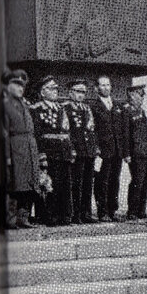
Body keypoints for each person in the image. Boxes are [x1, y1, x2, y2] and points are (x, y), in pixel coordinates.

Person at [32, 75, 74, 225]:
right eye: (51, 88)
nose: (55, 91)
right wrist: (41, 156)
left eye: (56, 88)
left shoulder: (61, 108)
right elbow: (37, 135)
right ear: (43, 92)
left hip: (64, 151)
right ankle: (50, 216)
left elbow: (67, 132)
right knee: (50, 185)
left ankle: (65, 215)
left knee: (65, 184)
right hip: (50, 152)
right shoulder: (37, 109)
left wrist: (71, 151)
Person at [2, 69, 42, 228]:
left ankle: (23, 217)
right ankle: (10, 219)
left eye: (22, 86)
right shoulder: (5, 105)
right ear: (9, 86)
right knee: (14, 185)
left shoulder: (24, 104)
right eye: (16, 85)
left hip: (28, 148)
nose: (20, 88)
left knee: (28, 184)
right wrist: (6, 155)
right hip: (15, 148)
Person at [89, 75, 127, 222]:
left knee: (114, 181)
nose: (106, 88)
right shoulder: (94, 107)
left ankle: (112, 210)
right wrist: (96, 149)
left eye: (108, 85)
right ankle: (102, 211)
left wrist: (123, 150)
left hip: (117, 150)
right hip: (103, 151)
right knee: (101, 182)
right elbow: (92, 130)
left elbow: (122, 130)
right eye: (102, 85)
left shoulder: (117, 106)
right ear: (96, 88)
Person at [66, 78, 101, 223]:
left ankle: (86, 213)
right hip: (77, 152)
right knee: (76, 184)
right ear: (70, 93)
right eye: (78, 91)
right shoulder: (66, 108)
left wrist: (95, 149)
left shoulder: (87, 108)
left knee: (88, 184)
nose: (81, 95)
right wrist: (71, 150)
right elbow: (67, 132)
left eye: (83, 92)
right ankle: (76, 214)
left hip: (88, 151)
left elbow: (91, 130)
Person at [123, 82, 147, 220]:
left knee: (146, 182)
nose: (142, 97)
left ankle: (141, 210)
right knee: (137, 181)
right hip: (136, 153)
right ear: (132, 95)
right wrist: (127, 153)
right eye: (140, 94)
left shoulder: (142, 111)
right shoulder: (127, 111)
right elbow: (125, 134)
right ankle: (132, 212)